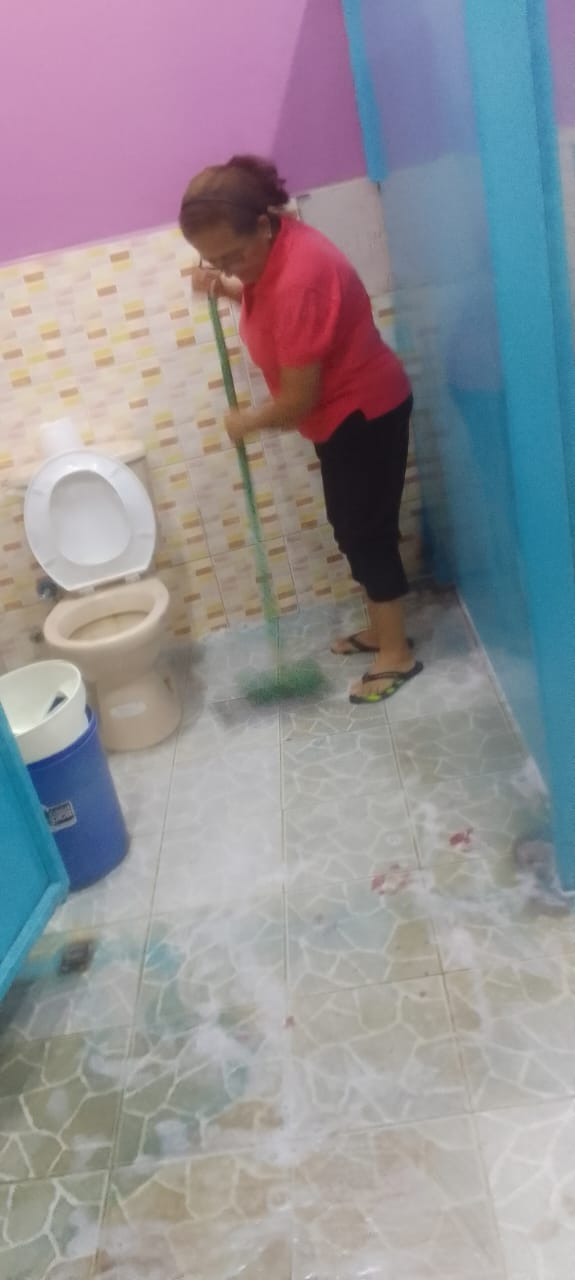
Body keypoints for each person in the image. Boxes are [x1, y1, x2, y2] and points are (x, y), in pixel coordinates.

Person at [179, 155, 422, 704]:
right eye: (215, 260)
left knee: (366, 533)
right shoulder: (277, 251)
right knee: (352, 528)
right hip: (343, 418)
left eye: (233, 256)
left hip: (363, 413)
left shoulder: (300, 275)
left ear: (263, 225)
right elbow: (270, 301)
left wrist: (246, 421)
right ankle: (382, 630)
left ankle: (396, 652)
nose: (230, 267)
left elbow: (296, 401)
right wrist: (227, 288)